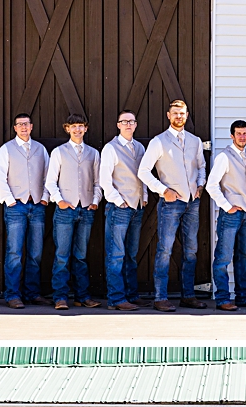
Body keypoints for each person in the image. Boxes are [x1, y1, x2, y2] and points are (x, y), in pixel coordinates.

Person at [138, 99, 207, 311]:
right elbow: (143, 171)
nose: (179, 116)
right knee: (165, 250)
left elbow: (202, 166)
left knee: (191, 251)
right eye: (175, 113)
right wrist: (163, 191)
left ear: (187, 115)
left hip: (192, 203)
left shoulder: (195, 141)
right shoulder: (159, 142)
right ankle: (160, 297)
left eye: (182, 113)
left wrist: (201, 186)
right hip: (170, 204)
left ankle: (188, 295)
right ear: (169, 115)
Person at [45, 113, 100, 310]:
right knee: (62, 254)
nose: (77, 129)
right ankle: (60, 296)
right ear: (67, 129)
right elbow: (50, 181)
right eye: (73, 126)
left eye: (81, 126)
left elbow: (97, 182)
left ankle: (82, 296)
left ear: (86, 128)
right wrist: (59, 201)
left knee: (81, 256)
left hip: (85, 209)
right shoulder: (58, 152)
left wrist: (94, 202)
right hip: (65, 211)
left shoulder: (94, 153)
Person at [0, 112, 51, 310]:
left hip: (37, 205)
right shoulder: (6, 149)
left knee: (35, 253)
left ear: (32, 126)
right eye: (20, 124)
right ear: (15, 128)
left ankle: (32, 293)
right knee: (14, 252)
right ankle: (12, 294)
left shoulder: (40, 149)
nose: (24, 127)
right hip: (16, 207)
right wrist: (9, 201)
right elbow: (0, 177)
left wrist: (45, 198)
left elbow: (48, 175)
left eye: (26, 124)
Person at [206, 120, 246, 311]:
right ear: (232, 136)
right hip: (230, 215)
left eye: (245, 133)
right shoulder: (224, 157)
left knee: (244, 257)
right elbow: (211, 186)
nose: (242, 137)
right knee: (223, 257)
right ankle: (222, 299)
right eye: (238, 134)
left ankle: (244, 297)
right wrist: (227, 206)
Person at [98, 110, 146, 311]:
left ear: (135, 125)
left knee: (131, 254)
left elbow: (143, 175)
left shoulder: (140, 147)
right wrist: (119, 201)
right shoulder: (111, 148)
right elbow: (104, 180)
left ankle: (131, 294)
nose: (128, 124)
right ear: (118, 125)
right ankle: (116, 299)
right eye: (124, 121)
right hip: (119, 208)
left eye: (131, 121)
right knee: (116, 254)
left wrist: (144, 197)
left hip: (137, 207)